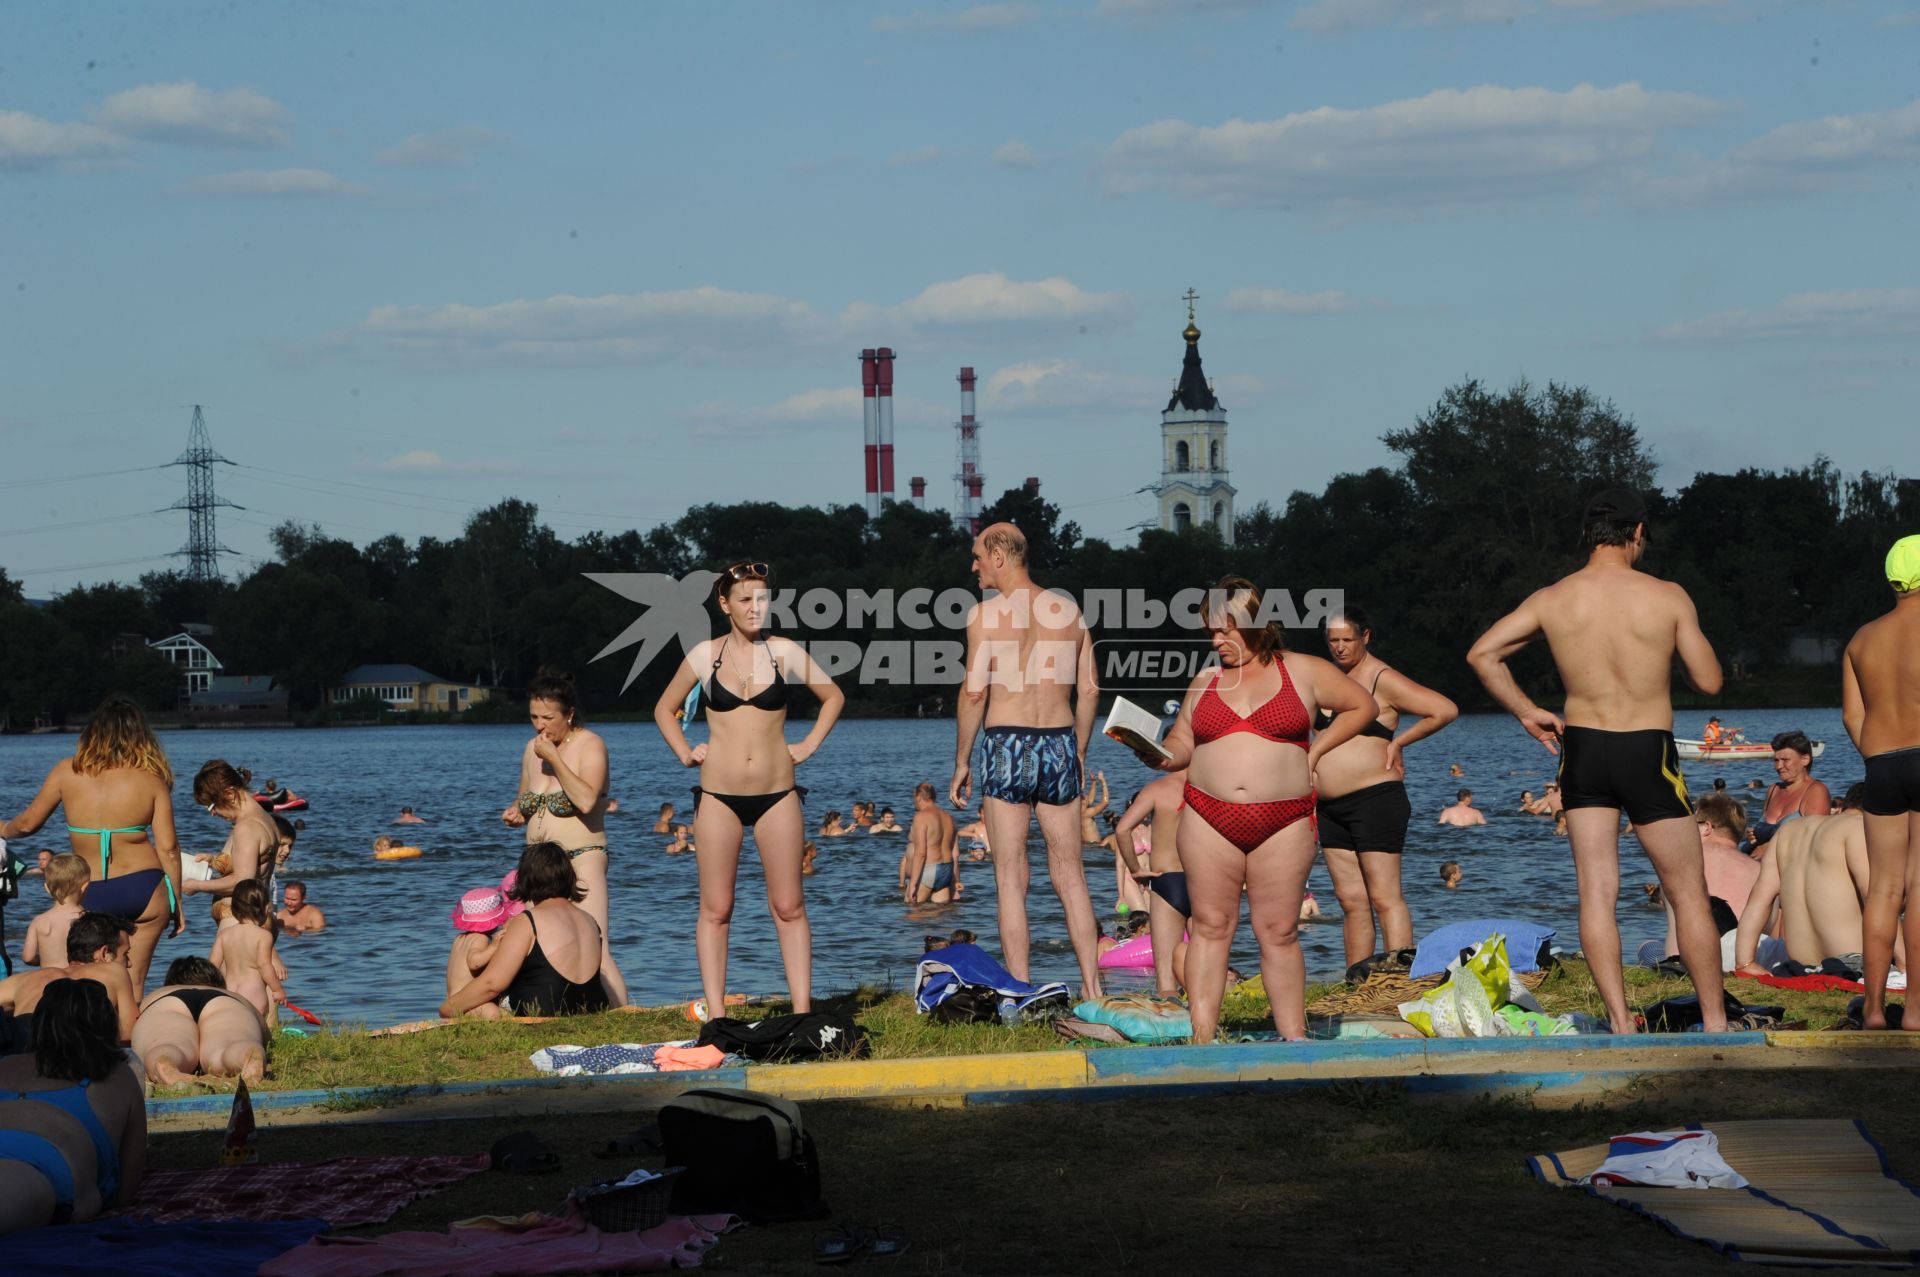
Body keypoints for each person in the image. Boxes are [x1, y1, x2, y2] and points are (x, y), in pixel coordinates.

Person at [1467, 487, 1729, 1034]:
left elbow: (1482, 654)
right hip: (1646, 749)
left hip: (1583, 748)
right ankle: (1714, 1022)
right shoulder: (1667, 595)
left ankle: (1621, 1024)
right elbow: (1709, 681)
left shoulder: (1554, 597)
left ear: (1588, 536)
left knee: (1597, 891)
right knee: (1687, 892)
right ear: (1637, 533)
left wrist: (1525, 711)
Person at [1156, 576, 1376, 1042]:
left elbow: (1362, 706)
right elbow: (1180, 743)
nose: (1215, 641)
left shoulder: (1303, 669)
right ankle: (1201, 1039)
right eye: (1210, 633)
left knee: (1277, 931)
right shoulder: (1206, 680)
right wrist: (1158, 754)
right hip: (1207, 818)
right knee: (1211, 928)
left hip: (1285, 819)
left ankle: (1294, 1040)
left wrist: (1316, 751)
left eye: (1224, 631)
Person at [653, 561, 846, 1019]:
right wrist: (684, 751)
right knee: (717, 908)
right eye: (745, 600)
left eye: (762, 599)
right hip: (717, 795)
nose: (756, 607)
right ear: (725, 605)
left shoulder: (784, 651)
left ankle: (801, 1013)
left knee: (789, 905)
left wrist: (808, 745)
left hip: (778, 793)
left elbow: (834, 696)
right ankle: (717, 1017)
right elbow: (664, 708)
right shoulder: (704, 656)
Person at [949, 523, 1104, 997]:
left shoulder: (985, 615)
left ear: (999, 556)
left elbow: (975, 692)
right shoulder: (1070, 612)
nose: (973, 566)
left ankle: (1020, 990)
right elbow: (1091, 689)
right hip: (1058, 741)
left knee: (1010, 876)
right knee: (1071, 875)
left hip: (1007, 744)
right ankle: (1095, 992)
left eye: (978, 556)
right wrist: (1077, 750)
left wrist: (962, 761)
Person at [1, 698, 185, 995]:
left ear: (93, 732)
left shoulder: (66, 772)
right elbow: (170, 848)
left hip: (89, 889)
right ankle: (129, 1039)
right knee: (133, 985)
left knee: (84, 982)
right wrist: (177, 902)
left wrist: (3, 828)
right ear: (141, 736)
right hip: (145, 888)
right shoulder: (152, 780)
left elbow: (27, 824)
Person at [1317, 606, 1458, 968]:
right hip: (1330, 807)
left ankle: (1399, 982)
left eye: (1348, 640)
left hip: (1375, 799)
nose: (1340, 648)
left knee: (1384, 897)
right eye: (1333, 641)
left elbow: (1443, 709)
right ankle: (1356, 980)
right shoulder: (1326, 678)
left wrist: (1399, 743)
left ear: (1366, 636)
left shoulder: (1383, 678)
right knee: (1350, 900)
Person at [502, 669, 626, 1006]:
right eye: (533, 717)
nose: (539, 726)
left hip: (581, 855)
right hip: (538, 865)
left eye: (548, 717)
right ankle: (550, 1008)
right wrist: (517, 811)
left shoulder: (591, 745)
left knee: (597, 946)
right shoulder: (531, 749)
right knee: (536, 943)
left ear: (569, 714)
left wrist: (555, 760)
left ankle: (623, 1015)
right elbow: (525, 796)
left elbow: (586, 800)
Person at [1844, 533, 1920, 1029]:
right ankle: (1915, 1012)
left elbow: (1854, 716)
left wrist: (1880, 760)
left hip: (1883, 764)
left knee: (1884, 891)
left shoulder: (1861, 639)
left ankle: (1873, 1010)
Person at [0, 979, 147, 1233]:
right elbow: (127, 1188)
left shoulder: (4, 1064)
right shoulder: (117, 1076)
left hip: (35, 1166)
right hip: (46, 1165)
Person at [440, 843, 612, 1018]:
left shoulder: (527, 921)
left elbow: (492, 984)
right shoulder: (589, 920)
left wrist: (447, 1008)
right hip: (592, 1008)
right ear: (569, 877)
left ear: (526, 879)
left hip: (543, 1010)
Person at [0, 915, 140, 1045]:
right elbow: (129, 1037)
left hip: (24, 1049)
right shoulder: (114, 971)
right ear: (105, 953)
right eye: (125, 954)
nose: (129, 963)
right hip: (73, 1056)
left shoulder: (24, 979)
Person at [133, 956, 270, 1085]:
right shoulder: (233, 995)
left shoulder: (160, 992)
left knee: (168, 1044)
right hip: (223, 1001)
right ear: (219, 983)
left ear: (170, 983)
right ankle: (247, 1054)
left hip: (166, 1002)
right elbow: (265, 1031)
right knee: (232, 1045)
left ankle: (165, 1062)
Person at [1112, 771, 1189, 998]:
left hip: (1167, 879)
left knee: (1165, 974)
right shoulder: (1212, 786)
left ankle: (1170, 1019)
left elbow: (1121, 829)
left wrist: (1136, 870)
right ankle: (1206, 1023)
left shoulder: (1159, 788)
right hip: (1203, 878)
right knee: (1202, 954)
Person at [1660, 794, 1761, 961]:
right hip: (1740, 961)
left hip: (1684, 964)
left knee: (1649, 947)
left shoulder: (1676, 865)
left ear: (1706, 827)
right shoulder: (1760, 871)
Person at [185, 760, 280, 907]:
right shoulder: (262, 817)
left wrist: (197, 885)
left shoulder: (247, 827)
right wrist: (213, 861)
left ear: (229, 794)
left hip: (242, 923)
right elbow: (247, 865)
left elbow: (242, 883)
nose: (212, 813)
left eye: (211, 806)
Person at [443, 885, 524, 1022]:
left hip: (453, 998)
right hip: (468, 1002)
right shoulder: (480, 938)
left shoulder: (459, 939)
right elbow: (474, 962)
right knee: (494, 1014)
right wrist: (493, 946)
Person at [1747, 731, 1832, 853]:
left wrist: (1769, 848)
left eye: (1785, 760)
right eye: (1776, 760)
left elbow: (1814, 839)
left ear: (1805, 759)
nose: (1778, 766)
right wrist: (1754, 836)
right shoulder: (1773, 790)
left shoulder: (1816, 791)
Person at [210, 881, 285, 1018]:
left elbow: (212, 966)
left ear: (234, 908)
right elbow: (264, 966)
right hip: (253, 992)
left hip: (229, 991)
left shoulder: (224, 934)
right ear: (266, 908)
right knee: (254, 1030)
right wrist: (277, 989)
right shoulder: (263, 936)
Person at [22, 855, 89, 970]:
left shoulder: (39, 921)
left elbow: (28, 957)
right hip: (79, 980)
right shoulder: (88, 919)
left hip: (49, 982)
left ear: (47, 888)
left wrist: (43, 959)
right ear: (85, 887)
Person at [903, 783, 960, 904]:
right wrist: (955, 882)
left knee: (912, 913)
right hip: (946, 870)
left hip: (929, 869)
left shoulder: (921, 817)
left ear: (918, 797)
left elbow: (921, 853)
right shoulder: (949, 817)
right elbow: (955, 853)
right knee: (938, 915)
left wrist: (913, 884)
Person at [1079, 771, 1111, 846]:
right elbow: (1105, 802)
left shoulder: (1077, 812)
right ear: (1083, 802)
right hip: (1094, 845)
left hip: (1086, 845)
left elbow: (1090, 800)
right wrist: (1103, 781)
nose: (1087, 795)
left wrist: (1094, 782)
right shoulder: (1087, 813)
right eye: (1085, 795)